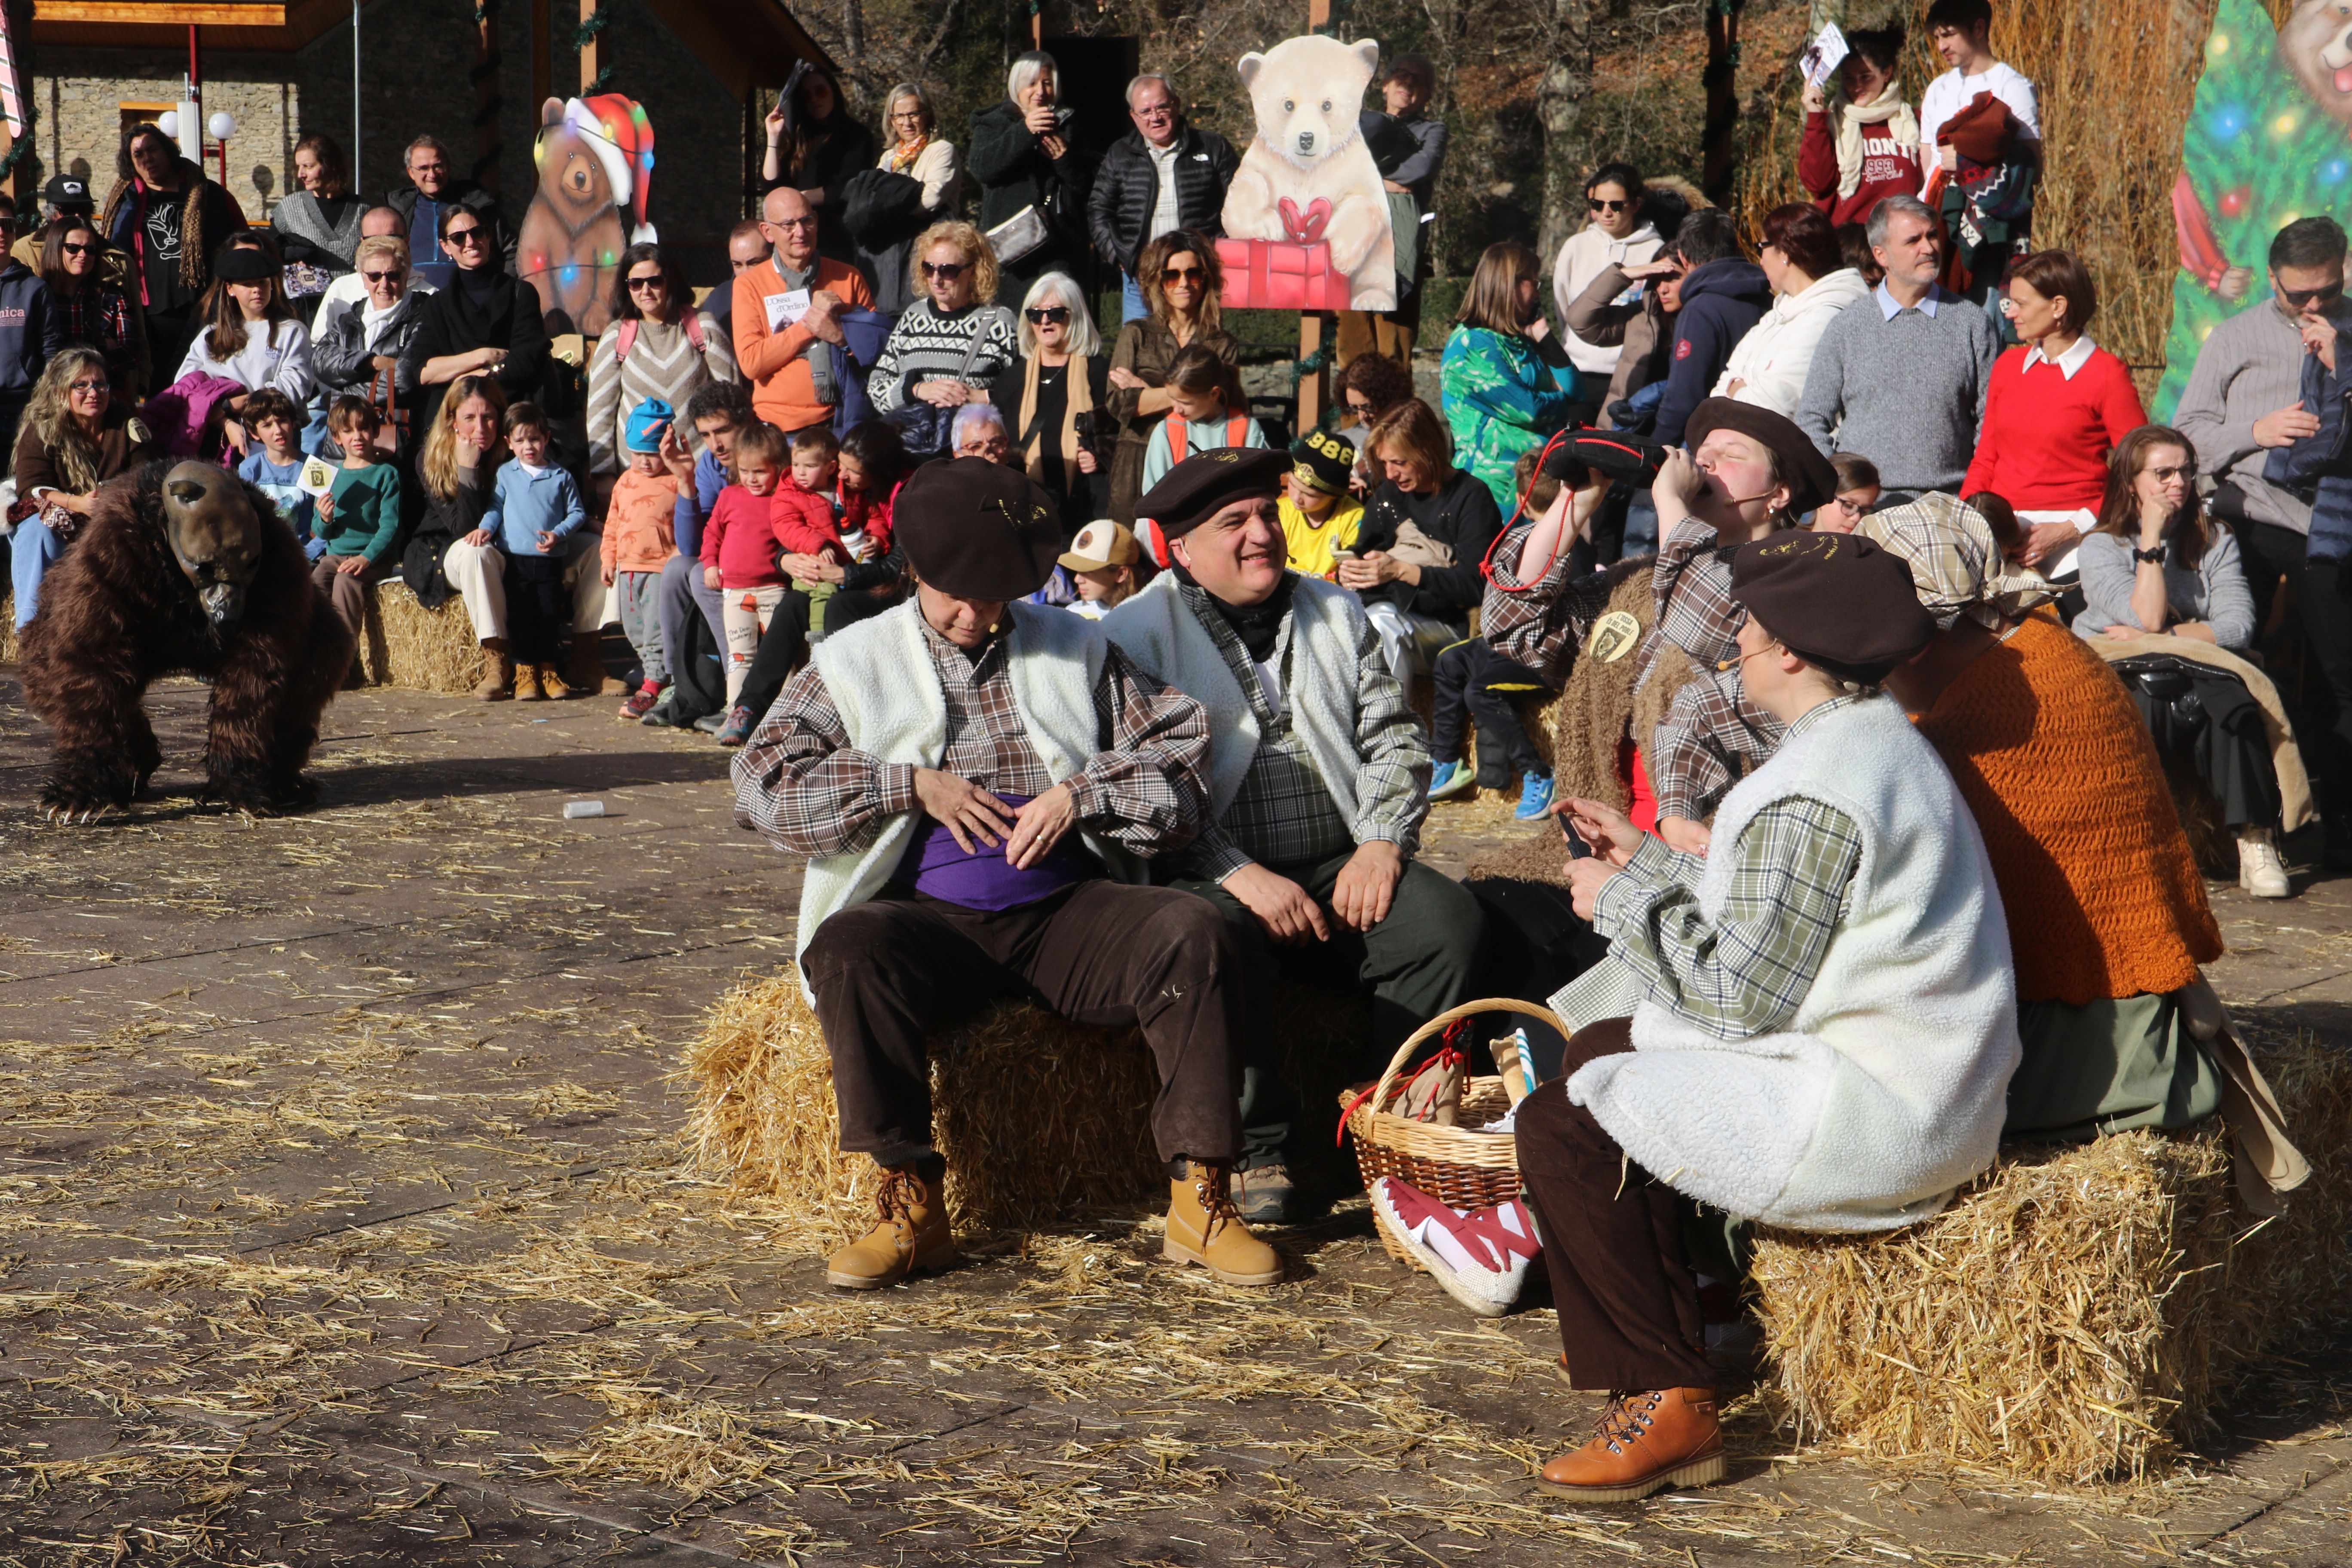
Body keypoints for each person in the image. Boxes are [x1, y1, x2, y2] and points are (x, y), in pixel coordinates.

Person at [1521, 529, 2013, 1504]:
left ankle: (1667, 1399)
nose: (1734, 639)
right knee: (1600, 1046)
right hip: (1897, 1066)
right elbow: (1781, 922)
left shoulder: (1818, 786)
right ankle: (1681, 1308)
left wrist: (1616, 900)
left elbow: (1739, 997)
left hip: (1879, 1108)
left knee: (1561, 1121)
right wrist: (1647, 860)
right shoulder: (1866, 742)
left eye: (1747, 625)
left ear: (1789, 651)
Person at [732, 456, 1283, 1292]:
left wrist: (1080, 793)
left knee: (1191, 930)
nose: (974, 613)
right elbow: (760, 783)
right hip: (929, 919)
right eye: (956, 594)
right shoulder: (853, 660)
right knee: (850, 946)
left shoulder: (1073, 644)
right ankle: (911, 1203)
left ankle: (1199, 1197)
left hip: (1063, 910)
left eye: (993, 597)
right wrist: (906, 784)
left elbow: (1181, 749)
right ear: (915, 572)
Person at [1857, 497, 2305, 1175]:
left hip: (2088, 1039)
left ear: (1918, 627)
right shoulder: (2032, 643)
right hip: (2117, 1001)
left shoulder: (1990, 706)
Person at [1104, 448, 1479, 1224]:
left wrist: (1380, 843)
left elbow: (1395, 737)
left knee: (1445, 923)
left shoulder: (1334, 610)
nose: (1261, 534)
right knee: (1207, 934)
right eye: (1232, 522)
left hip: (1338, 861)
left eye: (1265, 514)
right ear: (1181, 549)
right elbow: (1140, 787)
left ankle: (1388, 1122)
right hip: (1209, 873)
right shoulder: (1134, 634)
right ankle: (1253, 1145)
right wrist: (1234, 869)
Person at [2173, 216, 2352, 860]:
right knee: (2237, 657)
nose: (2313, 304)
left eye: (2327, 291)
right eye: (2298, 294)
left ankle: (2339, 824)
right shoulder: (2235, 337)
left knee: (2340, 671)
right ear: (2272, 279)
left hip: (2329, 522)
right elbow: (2186, 436)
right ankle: (2247, 824)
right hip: (2248, 513)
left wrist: (2344, 365)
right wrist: (2255, 431)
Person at [2073, 429, 2283, 894]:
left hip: (2198, 667)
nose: (2179, 483)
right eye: (2163, 473)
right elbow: (2145, 616)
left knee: (2233, 703)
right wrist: (2151, 537)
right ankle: (2137, 847)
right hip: (2124, 669)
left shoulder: (2215, 540)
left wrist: (2165, 637)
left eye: (2186, 471)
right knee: (2141, 703)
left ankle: (2255, 841)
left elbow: (2238, 626)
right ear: (2131, 482)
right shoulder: (2101, 547)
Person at [1795, 195, 2000, 499]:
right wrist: (1838, 490)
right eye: (1913, 240)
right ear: (1882, 255)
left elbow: (1993, 422)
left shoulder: (1972, 323)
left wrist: (1972, 495)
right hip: (1865, 509)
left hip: (1947, 506)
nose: (1929, 248)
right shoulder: (1847, 327)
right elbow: (1811, 419)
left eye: (1932, 236)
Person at [1961, 249, 2147, 579]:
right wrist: (1968, 519)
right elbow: (1986, 457)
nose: (2010, 312)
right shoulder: (2007, 367)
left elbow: (2139, 472)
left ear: (2058, 306)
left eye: (2021, 303)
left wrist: (2071, 529)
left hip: (2078, 547)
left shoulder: (2107, 374)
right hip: (1998, 538)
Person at [1427, 448, 1571, 818]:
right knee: (1451, 660)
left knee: (1481, 690)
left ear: (1521, 501)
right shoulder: (1523, 539)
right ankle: (1447, 760)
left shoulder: (1566, 547)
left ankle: (1538, 773)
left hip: (1542, 656)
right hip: (1512, 643)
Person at [1348, 398, 1504, 684]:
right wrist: (1352, 570)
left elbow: (1475, 586)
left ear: (1428, 450)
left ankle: (1393, 713)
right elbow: (1364, 551)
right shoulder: (1387, 496)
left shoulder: (1471, 497)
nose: (1390, 474)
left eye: (1400, 462)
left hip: (1450, 625)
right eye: (1384, 463)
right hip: (1387, 611)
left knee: (1382, 624)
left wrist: (1402, 571)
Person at [8, 349, 159, 629]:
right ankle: (30, 629)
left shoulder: (127, 424)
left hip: (113, 520)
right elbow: (31, 487)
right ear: (60, 392)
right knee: (38, 530)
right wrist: (77, 504)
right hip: (58, 520)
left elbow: (147, 477)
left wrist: (110, 501)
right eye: (81, 385)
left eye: (100, 384)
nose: (94, 393)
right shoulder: (44, 428)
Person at [1107, 230, 1238, 524]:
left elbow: (1224, 406)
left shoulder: (1222, 344)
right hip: (1137, 459)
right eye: (1171, 275)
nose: (1183, 283)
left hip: (1197, 460)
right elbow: (1120, 404)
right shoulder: (1136, 335)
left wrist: (1148, 392)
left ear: (1206, 278)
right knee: (1133, 547)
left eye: (1193, 273)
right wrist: (1194, 393)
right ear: (1157, 281)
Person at [1090, 73, 1241, 324]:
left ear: (1176, 104)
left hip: (1197, 277)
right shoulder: (1120, 154)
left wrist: (1219, 252)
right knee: (1140, 346)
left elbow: (1241, 205)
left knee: (1199, 347)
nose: (1155, 117)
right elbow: (1099, 210)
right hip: (1141, 278)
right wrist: (1118, 255)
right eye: (1145, 111)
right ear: (1134, 117)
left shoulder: (1213, 147)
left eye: (1161, 107)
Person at [649, 380, 756, 726]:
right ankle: (678, 684)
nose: (715, 444)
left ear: (746, 421)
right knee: (677, 568)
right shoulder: (711, 464)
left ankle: (738, 690)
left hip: (766, 561)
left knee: (699, 574)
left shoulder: (769, 452)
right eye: (706, 435)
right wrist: (686, 481)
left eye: (722, 431)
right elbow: (692, 546)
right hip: (725, 557)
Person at [585, 242, 737, 487]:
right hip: (638, 477)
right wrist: (603, 474)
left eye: (655, 281)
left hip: (701, 475)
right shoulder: (616, 336)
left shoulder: (704, 326)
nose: (646, 290)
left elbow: (732, 400)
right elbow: (600, 412)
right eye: (636, 283)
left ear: (670, 281)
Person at [1440, 242, 1577, 515]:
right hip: (1494, 489)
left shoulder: (1519, 338)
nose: (1538, 292)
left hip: (1539, 483)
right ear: (1508, 284)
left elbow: (1577, 389)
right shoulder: (1470, 344)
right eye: (1533, 283)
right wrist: (1562, 399)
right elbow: (1527, 408)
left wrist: (1545, 338)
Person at [100, 122, 246, 375]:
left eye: (153, 150)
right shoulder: (126, 200)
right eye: (138, 154)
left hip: (204, 310)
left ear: (168, 150)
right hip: (147, 314)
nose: (147, 158)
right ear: (131, 162)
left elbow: (242, 243)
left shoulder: (209, 194)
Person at [734, 186, 875, 437]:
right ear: (768, 232)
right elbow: (752, 363)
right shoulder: (749, 285)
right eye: (788, 225)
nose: (800, 232)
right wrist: (809, 325)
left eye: (807, 221)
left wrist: (840, 338)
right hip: (779, 431)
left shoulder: (849, 277)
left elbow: (877, 353)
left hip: (843, 421)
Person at [1338, 52, 1447, 368]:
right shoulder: (1354, 127)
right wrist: (1383, 184)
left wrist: (1363, 180)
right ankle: (1352, 404)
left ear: (1427, 96)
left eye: (1418, 80)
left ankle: (1394, 404)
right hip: (1352, 252)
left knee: (1394, 355)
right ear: (1385, 85)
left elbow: (1422, 168)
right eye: (1401, 75)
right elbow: (1335, 172)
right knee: (1351, 352)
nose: (1408, 82)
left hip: (1399, 258)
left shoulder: (1433, 131)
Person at [1713, 203, 1868, 418]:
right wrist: (1739, 388)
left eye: (1761, 247)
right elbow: (1721, 389)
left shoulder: (1823, 319)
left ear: (1785, 253)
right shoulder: (1779, 313)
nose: (1760, 260)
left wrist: (1737, 389)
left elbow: (1768, 409)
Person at [867, 222, 1019, 437]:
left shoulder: (1000, 322)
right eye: (929, 268)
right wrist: (918, 390)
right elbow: (876, 388)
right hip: (913, 447)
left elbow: (1025, 392)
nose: (937, 280)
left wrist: (982, 397)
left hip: (971, 448)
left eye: (948, 271)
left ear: (973, 271)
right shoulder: (914, 316)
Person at [968, 51, 1092, 308]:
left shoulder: (1068, 122)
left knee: (1055, 320)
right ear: (1017, 86)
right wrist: (1025, 131)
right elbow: (982, 169)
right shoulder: (993, 122)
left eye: (1047, 83)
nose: (1040, 91)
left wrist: (1064, 159)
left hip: (1059, 248)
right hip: (1010, 249)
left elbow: (1086, 186)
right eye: (1032, 83)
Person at [487, 400, 588, 702]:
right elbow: (495, 507)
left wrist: (558, 534)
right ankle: (524, 673)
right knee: (520, 617)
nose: (528, 446)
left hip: (548, 561)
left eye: (534, 439)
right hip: (515, 560)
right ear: (509, 443)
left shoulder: (561, 476)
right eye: (520, 440)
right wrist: (485, 528)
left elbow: (577, 513)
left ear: (546, 438)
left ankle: (548, 670)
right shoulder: (506, 474)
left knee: (548, 615)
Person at [176, 239, 313, 457]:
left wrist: (233, 405)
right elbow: (186, 387)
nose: (257, 290)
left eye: (263, 282)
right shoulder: (211, 335)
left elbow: (292, 388)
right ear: (230, 289)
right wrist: (225, 422)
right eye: (248, 284)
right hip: (217, 438)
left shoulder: (292, 332)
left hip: (274, 436)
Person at [1647, 210, 1770, 450]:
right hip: (1762, 435)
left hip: (1712, 443)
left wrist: (1656, 450)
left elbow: (1683, 397)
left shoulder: (1699, 311)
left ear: (1683, 258)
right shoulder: (1769, 299)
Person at [1552, 162, 1666, 420]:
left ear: (1636, 204)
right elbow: (1563, 308)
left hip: (1628, 376)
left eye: (1616, 205)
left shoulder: (1656, 250)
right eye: (1597, 204)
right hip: (1576, 372)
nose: (1606, 212)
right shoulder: (1575, 246)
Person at [699, 420, 800, 709]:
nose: (751, 479)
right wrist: (710, 564)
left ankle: (787, 713)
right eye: (745, 471)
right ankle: (737, 711)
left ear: (778, 468)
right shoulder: (729, 496)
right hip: (735, 591)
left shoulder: (783, 500)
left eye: (760, 472)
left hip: (774, 590)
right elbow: (712, 533)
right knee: (740, 656)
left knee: (781, 655)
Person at [401, 205, 549, 402]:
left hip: (509, 408)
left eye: (477, 232)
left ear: (488, 236)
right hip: (453, 415)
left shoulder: (520, 293)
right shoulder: (437, 305)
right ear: (445, 246)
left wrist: (462, 378)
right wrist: (483, 356)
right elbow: (423, 371)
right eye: (458, 238)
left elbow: (526, 361)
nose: (470, 242)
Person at [1003, 271, 1109, 528]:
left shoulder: (1100, 374)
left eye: (1055, 313)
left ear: (1075, 316)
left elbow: (1119, 436)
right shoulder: (1012, 378)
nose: (1045, 321)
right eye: (1036, 314)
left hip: (1087, 508)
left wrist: (1099, 457)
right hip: (1029, 514)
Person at [1798, 26, 1923, 229]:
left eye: (1866, 77)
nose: (1857, 86)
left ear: (1887, 73)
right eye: (1849, 78)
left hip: (1904, 237)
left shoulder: (1914, 121)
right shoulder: (1829, 123)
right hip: (1848, 240)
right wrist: (1814, 116)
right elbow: (1817, 184)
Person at [307, 395, 404, 651]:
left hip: (374, 558)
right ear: (337, 438)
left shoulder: (386, 474)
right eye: (348, 431)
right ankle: (314, 651)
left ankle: (346, 656)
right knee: (316, 581)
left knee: (346, 581)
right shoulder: (328, 475)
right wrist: (325, 518)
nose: (357, 436)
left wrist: (366, 558)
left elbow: (390, 527)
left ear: (375, 431)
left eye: (363, 428)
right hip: (335, 556)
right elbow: (319, 530)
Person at [605, 398, 682, 721]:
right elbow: (613, 523)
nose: (646, 462)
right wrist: (608, 559)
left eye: (653, 455)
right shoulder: (625, 482)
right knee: (634, 628)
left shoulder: (675, 481)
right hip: (628, 569)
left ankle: (653, 683)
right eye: (638, 455)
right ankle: (655, 673)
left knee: (655, 628)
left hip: (660, 568)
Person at [761, 65, 878, 265]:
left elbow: (848, 188)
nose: (815, 99)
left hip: (837, 241)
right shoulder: (796, 136)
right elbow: (771, 187)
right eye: (807, 96)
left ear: (834, 92)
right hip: (793, 242)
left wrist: (799, 199)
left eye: (821, 91)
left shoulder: (857, 135)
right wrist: (773, 137)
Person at [864, 84, 965, 314]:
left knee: (930, 310)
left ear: (927, 115)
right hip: (893, 253)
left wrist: (889, 206)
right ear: (891, 120)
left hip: (932, 247)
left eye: (913, 114)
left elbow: (930, 200)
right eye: (899, 116)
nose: (907, 123)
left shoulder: (941, 150)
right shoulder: (889, 158)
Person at [1917, 0, 2042, 181]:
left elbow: (2033, 171)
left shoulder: (2013, 87)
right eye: (1937, 38)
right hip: (1935, 199)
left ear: (1979, 29)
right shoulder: (1936, 88)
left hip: (1986, 200)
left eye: (1949, 35)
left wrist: (1967, 165)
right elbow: (1928, 165)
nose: (1941, 47)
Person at [311, 235, 426, 422]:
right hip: (347, 431)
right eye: (375, 276)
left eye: (393, 276)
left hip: (397, 431)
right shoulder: (348, 320)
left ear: (406, 276)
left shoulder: (424, 317)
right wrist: (371, 362)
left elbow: (405, 379)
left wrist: (345, 393)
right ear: (364, 279)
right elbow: (319, 360)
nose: (384, 285)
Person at [1138, 344, 1266, 496]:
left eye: (1185, 403)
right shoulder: (1166, 431)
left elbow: (1260, 488)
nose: (1176, 409)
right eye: (1172, 399)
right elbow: (1153, 496)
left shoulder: (1247, 429)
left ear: (1214, 394)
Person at [40, 216, 142, 401]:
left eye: (90, 250)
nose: (83, 255)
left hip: (102, 398)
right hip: (53, 397)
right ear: (55, 248)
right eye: (73, 248)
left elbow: (132, 351)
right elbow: (34, 351)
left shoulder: (112, 295)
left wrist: (88, 372)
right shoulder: (39, 295)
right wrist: (101, 345)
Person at [389, 135, 509, 291]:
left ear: (449, 167)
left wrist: (505, 291)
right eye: (424, 168)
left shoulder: (477, 205)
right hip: (414, 299)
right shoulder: (399, 211)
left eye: (438, 166)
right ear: (411, 172)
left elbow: (510, 251)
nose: (432, 175)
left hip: (472, 297)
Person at [271, 132, 364, 300]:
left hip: (352, 304)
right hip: (306, 306)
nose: (301, 174)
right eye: (299, 167)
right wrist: (289, 260)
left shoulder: (364, 211)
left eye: (308, 166)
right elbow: (269, 249)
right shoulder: (290, 208)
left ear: (331, 165)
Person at [309, 206, 427, 340]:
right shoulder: (341, 288)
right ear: (362, 243)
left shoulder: (429, 296)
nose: (383, 246)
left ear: (406, 242)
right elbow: (318, 344)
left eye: (392, 238)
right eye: (373, 240)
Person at [0, 197, 54, 459]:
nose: (2, 232)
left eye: (7, 225)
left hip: (22, 410)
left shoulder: (35, 289)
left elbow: (51, 350)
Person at [1279, 428, 1366, 577]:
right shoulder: (1280, 512)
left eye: (1309, 494)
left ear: (1334, 496)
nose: (1297, 498)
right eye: (1292, 484)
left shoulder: (1353, 519)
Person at [236, 386, 316, 548]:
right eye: (267, 425)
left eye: (282, 421)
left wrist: (307, 556)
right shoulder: (249, 469)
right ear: (254, 433)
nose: (278, 431)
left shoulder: (314, 468)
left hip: (304, 553)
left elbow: (323, 529)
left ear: (293, 422)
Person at [1335, 352, 1415, 491]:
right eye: (1354, 408)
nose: (1362, 417)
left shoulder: (1410, 437)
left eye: (1368, 407)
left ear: (1387, 398)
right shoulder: (1344, 439)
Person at [1058, 518, 1146, 619]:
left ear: (1121, 574)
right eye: (1077, 570)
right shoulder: (1073, 614)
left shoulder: (1148, 617)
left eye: (1089, 571)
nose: (1077, 579)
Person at [707, 220, 773, 347]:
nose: (745, 273)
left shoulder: (790, 290)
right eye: (738, 265)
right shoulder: (717, 302)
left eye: (754, 263)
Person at [1814, 452, 1883, 531]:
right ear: (1822, 496)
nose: (1857, 518)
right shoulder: (1800, 538)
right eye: (1849, 506)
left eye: (1864, 511)